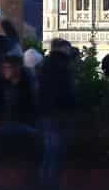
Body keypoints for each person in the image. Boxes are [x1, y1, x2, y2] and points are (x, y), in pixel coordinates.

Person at [36, 39, 78, 190]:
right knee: (56, 155)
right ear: (63, 49)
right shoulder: (63, 67)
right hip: (60, 116)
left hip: (46, 114)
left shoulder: (44, 65)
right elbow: (68, 92)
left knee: (47, 154)